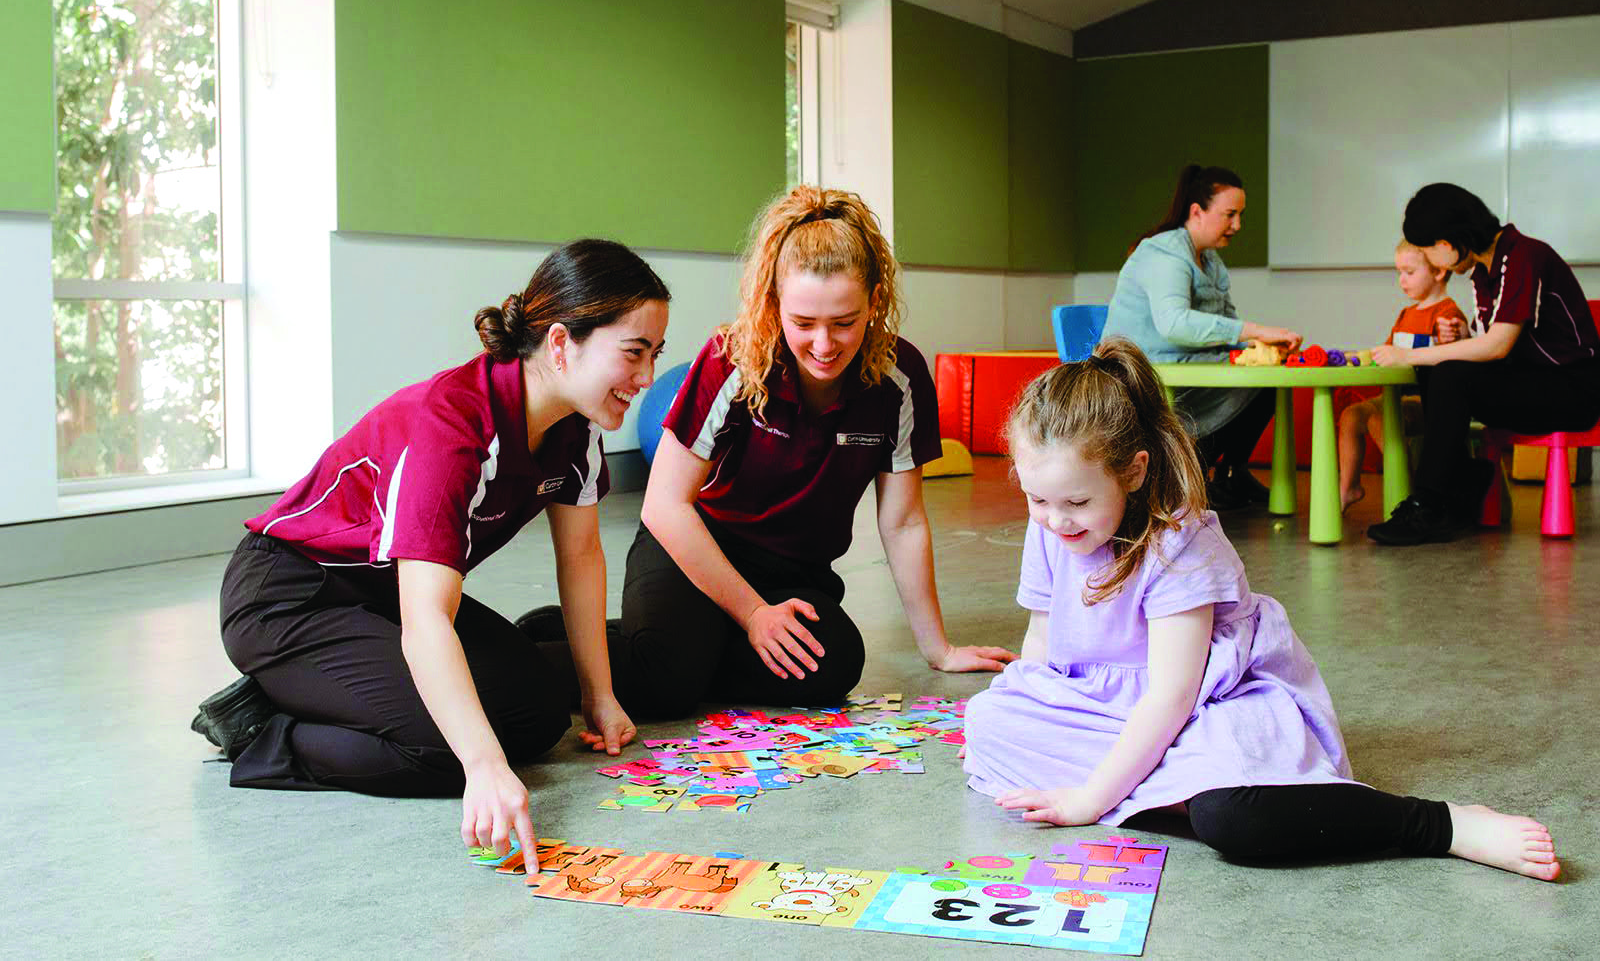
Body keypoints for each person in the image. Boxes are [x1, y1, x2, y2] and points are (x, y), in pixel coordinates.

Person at [961, 338, 1560, 880]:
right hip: (1104, 704)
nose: (1055, 519)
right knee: (988, 721)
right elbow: (1042, 641)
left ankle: (1441, 824)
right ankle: (1156, 787)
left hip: (1205, 702)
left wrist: (1088, 800)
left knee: (1234, 819)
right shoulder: (1051, 528)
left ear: (1135, 471)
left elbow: (1172, 697)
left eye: (1076, 502)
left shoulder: (1179, 542)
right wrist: (1027, 708)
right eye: (1037, 498)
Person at [190, 239, 669, 860]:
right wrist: (483, 767)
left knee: (539, 716)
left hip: (385, 591)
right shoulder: (450, 429)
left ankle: (348, 691)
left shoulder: (574, 431)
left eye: (656, 355)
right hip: (291, 596)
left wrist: (599, 696)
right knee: (450, 753)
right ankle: (263, 729)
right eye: (633, 354)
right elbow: (426, 621)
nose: (647, 379)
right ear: (559, 343)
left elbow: (579, 560)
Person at [525, 186, 1015, 718]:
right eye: (803, 323)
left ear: (875, 301)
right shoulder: (732, 360)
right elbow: (664, 506)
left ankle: (668, 639)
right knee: (664, 684)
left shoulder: (901, 377)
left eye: (844, 322)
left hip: (793, 571)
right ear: (774, 304)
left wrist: (938, 648)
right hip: (693, 545)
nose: (824, 345)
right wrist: (754, 613)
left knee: (833, 667)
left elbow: (902, 522)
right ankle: (541, 650)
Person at [1367, 183, 1600, 545]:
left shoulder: (1523, 255)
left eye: (1428, 250)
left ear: (1445, 244)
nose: (1431, 259)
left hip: (1572, 389)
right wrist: (1462, 337)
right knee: (1441, 368)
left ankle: (1433, 500)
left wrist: (1409, 354)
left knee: (1444, 369)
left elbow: (1497, 346)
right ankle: (1454, 490)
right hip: (1531, 382)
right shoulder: (1482, 271)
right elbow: (1491, 345)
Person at [1101, 164, 1301, 511]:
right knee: (1259, 383)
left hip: (1186, 364)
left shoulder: (1210, 260)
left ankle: (1228, 473)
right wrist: (1253, 332)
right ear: (1197, 211)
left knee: (1270, 380)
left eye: (1240, 215)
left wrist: (1261, 347)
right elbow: (1174, 324)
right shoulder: (1164, 254)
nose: (1237, 225)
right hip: (1145, 370)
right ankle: (1181, 471)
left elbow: (1225, 322)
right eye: (1230, 214)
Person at [1337, 240, 1468, 511]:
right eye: (1399, 272)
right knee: (1350, 415)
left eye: (1409, 272)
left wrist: (1454, 333)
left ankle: (1410, 491)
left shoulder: (1446, 313)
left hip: (1425, 403)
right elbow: (1388, 354)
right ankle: (1348, 488)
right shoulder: (1406, 314)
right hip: (1395, 397)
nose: (1402, 281)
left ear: (1439, 271)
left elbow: (1458, 342)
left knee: (1378, 419)